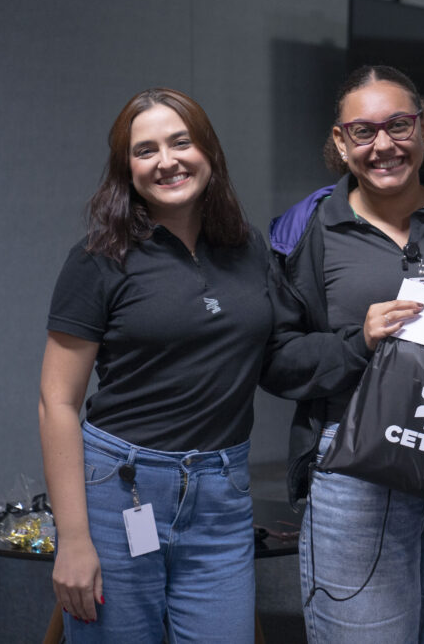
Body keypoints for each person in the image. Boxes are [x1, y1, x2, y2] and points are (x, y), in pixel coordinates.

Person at [261, 65, 424, 643]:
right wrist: (361, 340)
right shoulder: (303, 229)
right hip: (355, 468)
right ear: (339, 142)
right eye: (363, 131)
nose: (383, 146)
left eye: (399, 125)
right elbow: (275, 360)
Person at [38, 87, 271, 642]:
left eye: (180, 142)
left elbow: (284, 351)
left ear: (208, 152)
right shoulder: (99, 258)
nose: (166, 161)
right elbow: (58, 401)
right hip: (121, 491)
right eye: (145, 151)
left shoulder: (247, 248)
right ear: (127, 169)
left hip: (222, 496)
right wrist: (73, 539)